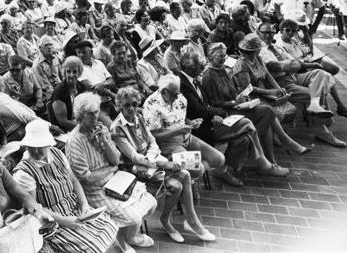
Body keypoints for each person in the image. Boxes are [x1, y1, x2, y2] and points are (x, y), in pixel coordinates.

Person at [109, 87, 213, 243]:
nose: (131, 108)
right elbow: (135, 157)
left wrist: (157, 156)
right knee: (178, 183)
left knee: (184, 174)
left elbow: (152, 141)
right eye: (126, 105)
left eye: (134, 104)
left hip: (152, 161)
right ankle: (170, 221)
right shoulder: (117, 128)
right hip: (133, 170)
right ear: (119, 106)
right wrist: (163, 163)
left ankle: (188, 221)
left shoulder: (138, 117)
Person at [65, 92, 157, 251]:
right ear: (80, 115)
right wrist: (111, 169)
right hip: (95, 191)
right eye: (90, 114)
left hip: (115, 181)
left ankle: (126, 235)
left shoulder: (102, 130)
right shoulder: (75, 142)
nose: (95, 117)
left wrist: (105, 141)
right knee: (134, 217)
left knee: (152, 203)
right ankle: (123, 238)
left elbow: (116, 160)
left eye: (96, 112)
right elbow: (86, 179)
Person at [179, 53, 289, 184]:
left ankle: (224, 170)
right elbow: (198, 110)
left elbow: (205, 105)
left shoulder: (193, 79)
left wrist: (216, 113)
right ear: (190, 68)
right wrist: (221, 112)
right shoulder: (183, 83)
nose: (202, 66)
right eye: (199, 65)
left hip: (212, 119)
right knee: (247, 123)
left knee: (246, 136)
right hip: (202, 127)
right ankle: (264, 164)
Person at [13, 119, 118, 252]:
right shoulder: (23, 172)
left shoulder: (57, 154)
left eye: (41, 146)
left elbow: (74, 181)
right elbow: (33, 208)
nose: (36, 151)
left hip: (74, 208)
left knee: (110, 227)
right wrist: (64, 220)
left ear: (48, 144)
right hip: (52, 220)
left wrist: (84, 205)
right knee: (93, 248)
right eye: (32, 147)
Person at [142, 75, 226, 181]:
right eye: (174, 94)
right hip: (168, 145)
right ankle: (186, 176)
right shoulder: (151, 105)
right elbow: (154, 137)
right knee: (199, 169)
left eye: (178, 93)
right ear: (164, 91)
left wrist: (191, 122)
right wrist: (177, 131)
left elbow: (180, 114)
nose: (177, 97)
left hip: (186, 137)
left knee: (218, 159)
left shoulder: (179, 97)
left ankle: (188, 176)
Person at [50, 56, 90, 131]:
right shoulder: (59, 91)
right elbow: (63, 122)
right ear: (64, 72)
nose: (71, 75)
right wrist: (85, 127)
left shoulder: (81, 86)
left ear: (79, 72)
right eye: (68, 71)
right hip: (66, 130)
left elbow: (86, 108)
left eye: (74, 72)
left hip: (80, 122)